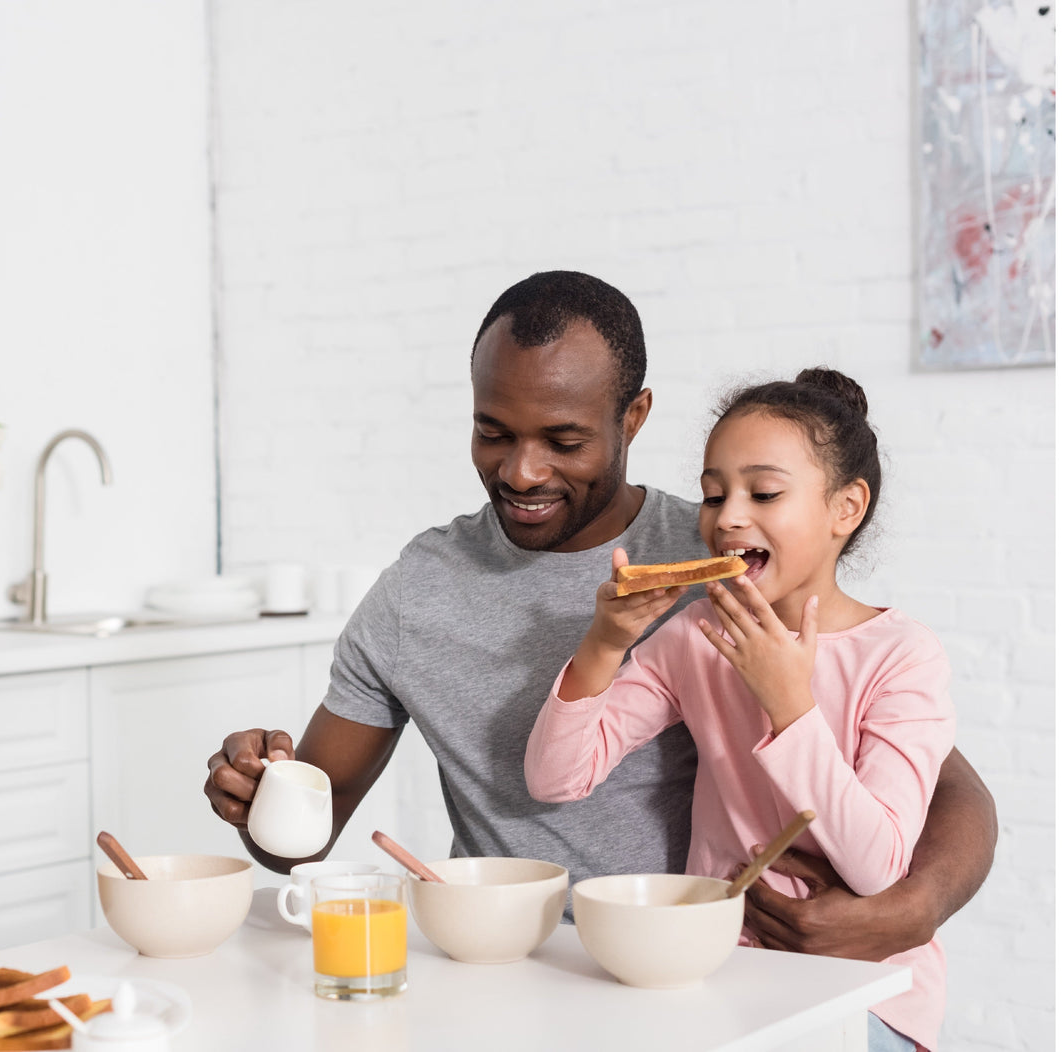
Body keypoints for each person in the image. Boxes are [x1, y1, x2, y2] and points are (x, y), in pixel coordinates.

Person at [203, 271, 996, 963]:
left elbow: (942, 785)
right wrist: (260, 794)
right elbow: (303, 833)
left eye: (564, 439)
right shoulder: (416, 593)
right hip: (510, 962)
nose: (521, 470)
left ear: (635, 417)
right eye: (492, 432)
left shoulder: (730, 558)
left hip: (693, 961)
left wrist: (911, 908)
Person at [524, 367, 949, 1050]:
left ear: (846, 507)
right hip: (719, 975)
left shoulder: (903, 656)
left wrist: (790, 706)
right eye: (713, 494)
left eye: (765, 493)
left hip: (864, 994)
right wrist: (604, 644)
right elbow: (555, 777)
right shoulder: (696, 638)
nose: (728, 518)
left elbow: (878, 867)